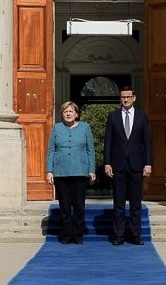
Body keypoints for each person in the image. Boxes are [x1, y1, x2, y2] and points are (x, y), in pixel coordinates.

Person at [104, 86, 152, 245]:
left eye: (128, 97)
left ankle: (136, 235)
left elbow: (147, 142)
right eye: (123, 97)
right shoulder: (113, 116)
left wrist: (148, 163)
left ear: (134, 98)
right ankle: (118, 235)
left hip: (137, 166)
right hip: (118, 166)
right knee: (118, 203)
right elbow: (108, 141)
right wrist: (107, 163)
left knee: (136, 203)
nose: (125, 100)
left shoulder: (142, 116)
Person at [45, 101, 96, 244]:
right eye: (65, 111)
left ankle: (78, 235)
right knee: (65, 206)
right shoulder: (57, 128)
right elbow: (51, 150)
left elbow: (90, 150)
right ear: (62, 114)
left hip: (80, 172)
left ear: (76, 114)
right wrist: (49, 171)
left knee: (79, 206)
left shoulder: (85, 127)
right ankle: (66, 235)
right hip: (61, 173)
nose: (68, 114)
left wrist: (91, 170)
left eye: (71, 111)